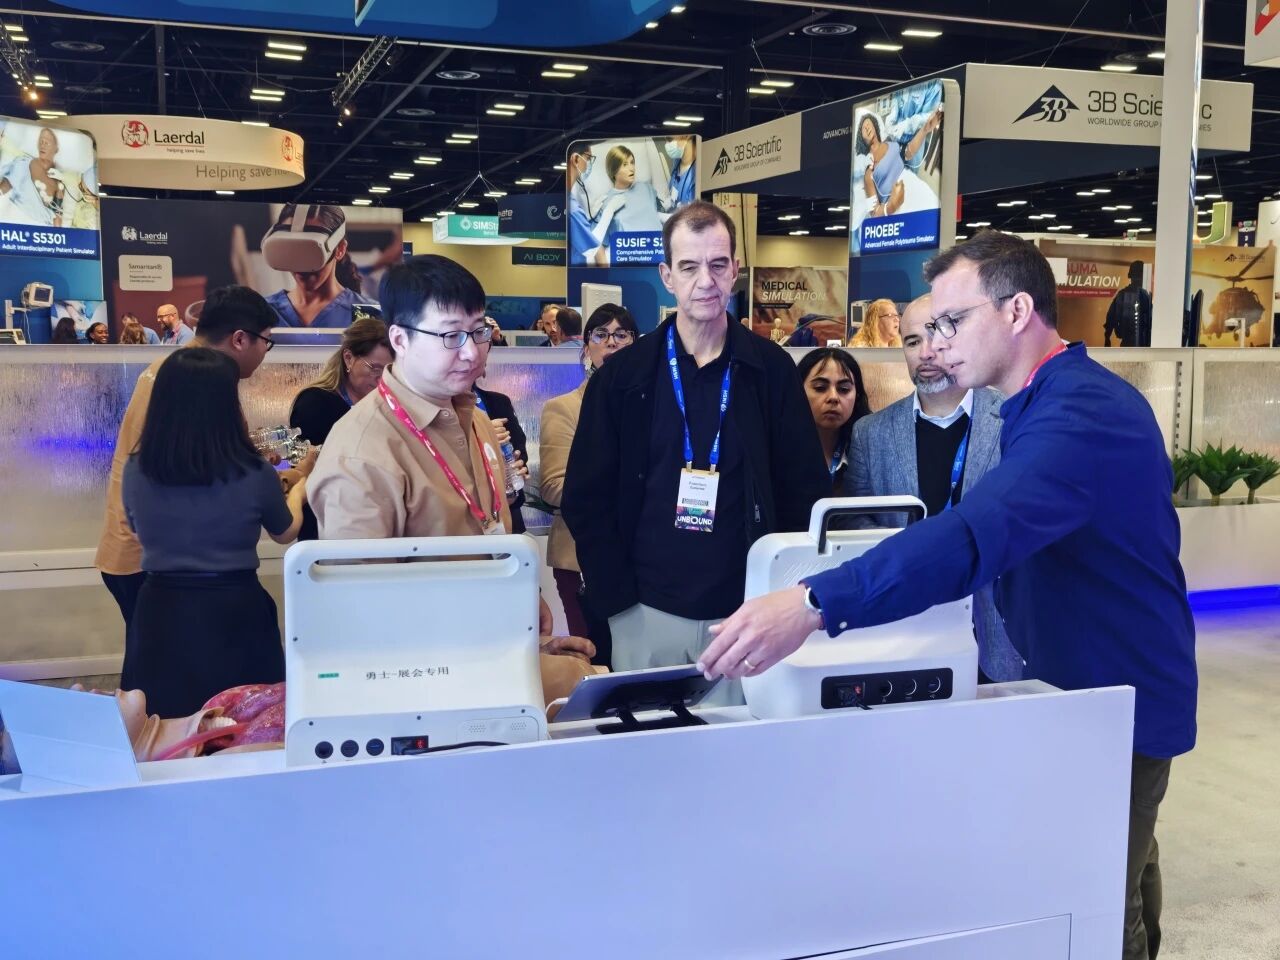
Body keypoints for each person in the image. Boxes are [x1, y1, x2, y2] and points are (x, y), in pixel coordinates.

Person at [699, 229, 1196, 960]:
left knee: (1094, 904)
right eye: (930, 327)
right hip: (1082, 690)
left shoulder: (1078, 413)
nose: (935, 345)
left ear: (1017, 310)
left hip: (1115, 698)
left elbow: (971, 538)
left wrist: (811, 603)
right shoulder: (1042, 401)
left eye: (952, 322)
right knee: (1123, 871)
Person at [306, 255, 597, 700]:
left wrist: (519, 623)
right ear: (399, 339)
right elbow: (364, 619)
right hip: (427, 689)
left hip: (492, 660)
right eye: (450, 336)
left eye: (479, 331)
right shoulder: (362, 452)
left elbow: (488, 530)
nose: (471, 351)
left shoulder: (475, 419)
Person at [563, 201, 829, 687]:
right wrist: (617, 602)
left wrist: (781, 595)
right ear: (667, 276)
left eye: (717, 264)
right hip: (645, 613)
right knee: (648, 735)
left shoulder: (770, 371)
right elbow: (586, 497)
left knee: (746, 737)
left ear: (735, 271)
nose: (705, 281)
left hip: (748, 613)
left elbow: (802, 488)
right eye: (689, 267)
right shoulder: (623, 377)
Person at [121, 347, 309, 718]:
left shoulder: (137, 468)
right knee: (243, 723)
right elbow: (286, 531)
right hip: (235, 609)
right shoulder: (252, 470)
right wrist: (300, 488)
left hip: (160, 608)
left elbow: (135, 528)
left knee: (165, 722)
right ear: (226, 405)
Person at [844, 295, 1022, 683]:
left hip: (996, 638)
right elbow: (855, 528)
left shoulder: (1013, 420)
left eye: (936, 336)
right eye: (912, 342)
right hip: (903, 636)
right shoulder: (871, 435)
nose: (925, 353)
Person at [96, 285, 280, 639]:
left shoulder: (187, 370)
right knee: (173, 661)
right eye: (266, 342)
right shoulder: (188, 380)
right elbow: (182, 470)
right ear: (240, 339)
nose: (264, 353)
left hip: (156, 551)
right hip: (151, 560)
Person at [540, 303, 638, 665]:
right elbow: (554, 486)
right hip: (582, 558)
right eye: (601, 334)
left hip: (642, 555)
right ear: (586, 347)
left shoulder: (654, 406)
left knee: (639, 659)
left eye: (622, 334)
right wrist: (624, 489)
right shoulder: (564, 408)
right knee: (594, 658)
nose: (611, 342)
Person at [289, 316, 393, 540]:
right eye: (374, 368)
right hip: (325, 519)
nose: (381, 379)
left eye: (388, 370)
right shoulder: (314, 403)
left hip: (371, 517)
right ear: (348, 358)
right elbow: (307, 471)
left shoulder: (387, 405)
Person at [263, 204, 376, 327]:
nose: (302, 264)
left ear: (340, 249)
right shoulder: (263, 311)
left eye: (312, 250)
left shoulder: (366, 313)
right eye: (293, 249)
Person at [795, 347, 870, 493]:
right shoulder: (777, 448)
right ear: (798, 391)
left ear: (857, 396)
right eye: (820, 387)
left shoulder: (871, 449)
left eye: (844, 389)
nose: (833, 397)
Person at [0, 126, 65, 226]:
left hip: (40, 227)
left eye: (47, 142)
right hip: (15, 217)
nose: (43, 144)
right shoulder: (23, 162)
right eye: (41, 141)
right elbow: (5, 186)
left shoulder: (58, 182)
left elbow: (58, 216)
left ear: (56, 149)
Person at [601, 145, 663, 236]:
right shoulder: (606, 202)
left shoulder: (646, 188)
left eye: (632, 162)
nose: (631, 168)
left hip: (659, 241)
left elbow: (660, 213)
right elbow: (599, 239)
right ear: (614, 171)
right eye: (625, 164)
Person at [1105, 261, 1153, 347]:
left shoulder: (1144, 296)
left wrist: (1107, 337)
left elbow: (1111, 317)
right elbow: (1111, 317)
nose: (1137, 278)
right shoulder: (1124, 295)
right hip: (1132, 343)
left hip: (1140, 343)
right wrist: (1107, 338)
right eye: (1136, 275)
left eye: (1138, 275)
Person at [665, 134, 697, 208]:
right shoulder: (677, 161)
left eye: (669, 139)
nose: (666, 144)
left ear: (687, 135)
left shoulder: (696, 175)